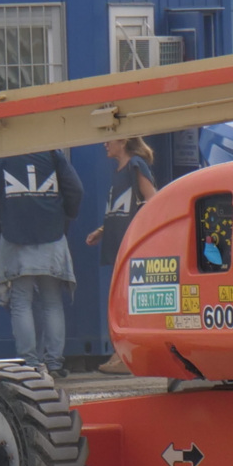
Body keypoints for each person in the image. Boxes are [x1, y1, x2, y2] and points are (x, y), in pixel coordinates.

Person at [0, 150, 83, 378]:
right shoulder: (52, 153)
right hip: (52, 235)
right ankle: (55, 364)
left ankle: (30, 364)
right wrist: (64, 215)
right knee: (52, 301)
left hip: (16, 236)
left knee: (21, 301)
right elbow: (75, 189)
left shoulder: (2, 154)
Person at [86, 137, 157, 374]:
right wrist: (102, 230)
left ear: (124, 141)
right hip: (118, 244)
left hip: (132, 246)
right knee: (120, 301)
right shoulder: (118, 170)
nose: (104, 143)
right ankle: (123, 354)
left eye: (109, 140)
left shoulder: (136, 164)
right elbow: (122, 208)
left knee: (127, 302)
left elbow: (152, 200)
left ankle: (126, 355)